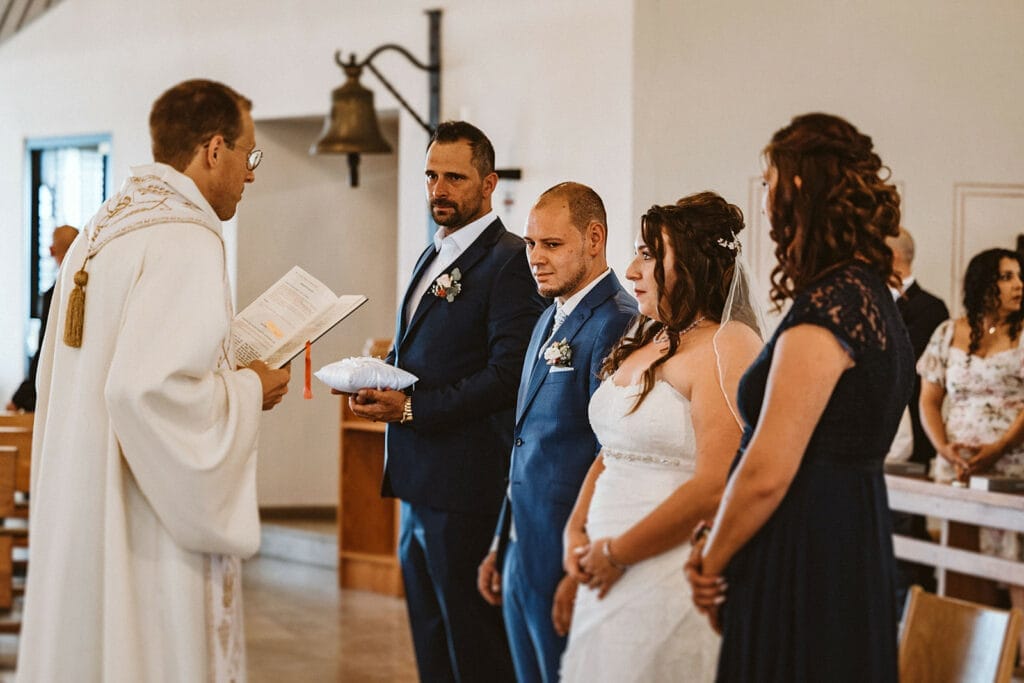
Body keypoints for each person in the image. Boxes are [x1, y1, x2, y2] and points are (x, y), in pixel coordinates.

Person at [17, 79, 291, 683]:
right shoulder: (184, 237)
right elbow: (147, 390)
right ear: (214, 149)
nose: (250, 174)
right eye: (249, 154)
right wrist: (249, 389)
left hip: (87, 505)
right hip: (145, 524)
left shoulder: (103, 227)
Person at [687, 113, 911, 682]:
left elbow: (767, 468)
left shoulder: (830, 310)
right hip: (847, 531)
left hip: (809, 548)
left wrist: (712, 563)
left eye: (769, 183)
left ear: (800, 188)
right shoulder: (866, 294)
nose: (764, 201)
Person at [347, 121, 545, 682]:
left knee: (472, 644)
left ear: (488, 183)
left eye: (454, 177)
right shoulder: (430, 255)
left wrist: (410, 408)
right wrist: (378, 381)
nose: (439, 188)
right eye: (432, 175)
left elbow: (507, 375)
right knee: (431, 640)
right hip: (417, 481)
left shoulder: (508, 261)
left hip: (466, 486)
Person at [558, 193, 764, 682]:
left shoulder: (726, 344)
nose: (631, 270)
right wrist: (576, 529)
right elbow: (613, 452)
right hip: (603, 566)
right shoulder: (652, 338)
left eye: (648, 255)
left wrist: (617, 552)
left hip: (665, 568)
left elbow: (716, 482)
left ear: (691, 263)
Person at [475, 182, 636, 683]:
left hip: (568, 550)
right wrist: (502, 542)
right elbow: (524, 441)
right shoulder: (547, 318)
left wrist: (577, 564)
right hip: (524, 546)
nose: (536, 259)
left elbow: (610, 452)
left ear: (594, 238)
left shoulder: (617, 322)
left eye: (552, 245)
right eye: (530, 244)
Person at [917, 247, 1024, 658]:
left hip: (1011, 468)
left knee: (1014, 566)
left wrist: (998, 448)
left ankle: (1015, 661)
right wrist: (945, 448)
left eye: (1019, 276)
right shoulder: (948, 332)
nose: (1019, 284)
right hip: (957, 469)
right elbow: (929, 399)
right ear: (984, 283)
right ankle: (963, 657)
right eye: (1007, 276)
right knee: (961, 564)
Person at [886, 226, 948, 599]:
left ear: (893, 257)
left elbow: (909, 366)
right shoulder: (871, 300)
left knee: (908, 526)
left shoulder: (931, 308)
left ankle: (915, 602)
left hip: (913, 438)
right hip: (879, 435)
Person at [7, 224, 79, 412]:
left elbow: (45, 351)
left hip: (56, 388)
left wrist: (21, 396)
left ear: (51, 250)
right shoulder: (94, 289)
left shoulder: (55, 294)